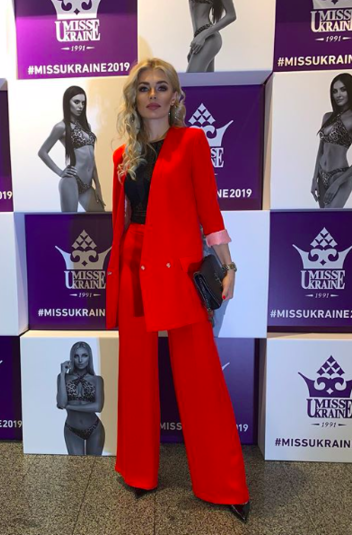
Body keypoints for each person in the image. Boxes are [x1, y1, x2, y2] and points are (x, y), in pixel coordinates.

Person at [105, 58, 250, 522]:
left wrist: (228, 265)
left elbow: (210, 210)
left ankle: (224, 483)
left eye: (161, 87)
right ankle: (137, 470)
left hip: (178, 268)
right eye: (144, 88)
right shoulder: (121, 155)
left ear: (174, 96)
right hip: (134, 265)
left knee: (200, 373)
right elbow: (121, 221)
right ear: (134, 97)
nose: (153, 95)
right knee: (135, 371)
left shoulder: (192, 142)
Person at [38, 86, 106, 212]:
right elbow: (42, 152)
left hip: (87, 185)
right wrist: (60, 172)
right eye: (76, 102)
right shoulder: (61, 127)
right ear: (67, 102)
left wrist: (98, 186)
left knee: (101, 219)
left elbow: (92, 158)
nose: (80, 106)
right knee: (69, 222)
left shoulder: (87, 126)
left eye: (83, 103)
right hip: (71, 181)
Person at [311, 73, 352, 208]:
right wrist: (314, 178)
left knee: (331, 217)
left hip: (341, 176)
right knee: (323, 218)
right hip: (321, 176)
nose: (338, 95)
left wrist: (337, 183)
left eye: (343, 89)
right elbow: (320, 150)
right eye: (335, 91)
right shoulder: (327, 117)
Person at [57, 341, 105, 455]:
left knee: (94, 464)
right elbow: (62, 403)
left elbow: (98, 407)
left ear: (89, 357)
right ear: (72, 358)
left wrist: (69, 406)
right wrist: (62, 374)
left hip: (95, 429)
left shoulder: (97, 380)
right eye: (76, 356)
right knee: (76, 465)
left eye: (84, 355)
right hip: (71, 429)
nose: (80, 360)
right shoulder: (63, 378)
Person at [187, 0, 236, 73]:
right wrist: (196, 40)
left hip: (209, 37)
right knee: (207, 79)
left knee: (191, 78)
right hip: (202, 36)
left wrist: (202, 36)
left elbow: (231, 15)